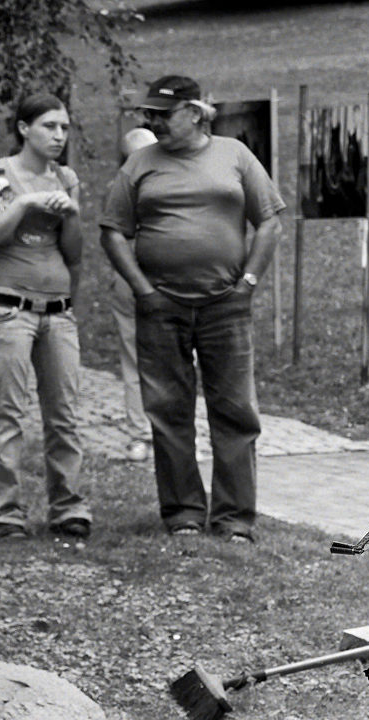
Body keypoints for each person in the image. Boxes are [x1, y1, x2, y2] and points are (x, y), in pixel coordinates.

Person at [99, 75, 285, 542]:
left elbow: (269, 221)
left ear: (196, 113)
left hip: (226, 304)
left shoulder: (235, 155)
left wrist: (248, 282)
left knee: (236, 411)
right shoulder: (140, 164)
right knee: (167, 409)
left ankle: (234, 519)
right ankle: (182, 513)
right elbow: (113, 230)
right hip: (161, 306)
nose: (153, 121)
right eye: (149, 114)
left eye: (163, 113)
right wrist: (142, 289)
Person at [0, 93, 92, 540]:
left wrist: (72, 214)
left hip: (57, 313)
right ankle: (4, 512)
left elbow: (74, 253)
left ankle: (68, 507)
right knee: (9, 415)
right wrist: (23, 206)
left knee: (64, 415)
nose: (59, 136)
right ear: (24, 128)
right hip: (8, 310)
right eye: (49, 127)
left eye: (64, 128)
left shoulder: (66, 178)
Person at [106, 127, 158, 463]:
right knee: (135, 360)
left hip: (169, 282)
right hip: (131, 281)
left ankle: (169, 432)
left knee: (175, 359)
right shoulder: (121, 189)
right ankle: (141, 434)